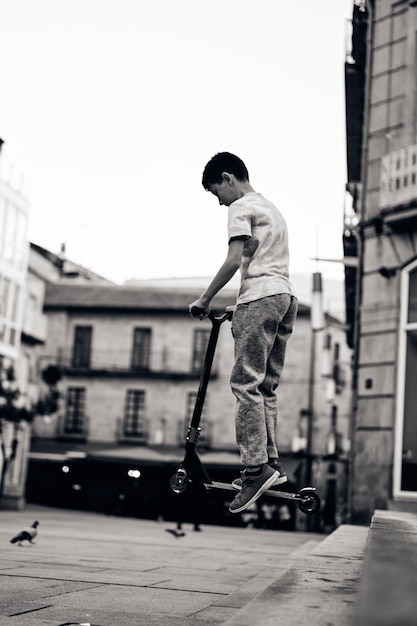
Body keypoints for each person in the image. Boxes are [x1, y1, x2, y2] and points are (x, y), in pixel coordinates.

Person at [189, 152, 298, 514]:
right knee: (265, 385)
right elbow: (264, 266)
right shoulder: (272, 208)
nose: (218, 201)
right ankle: (272, 464)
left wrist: (205, 299)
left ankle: (255, 468)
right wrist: (242, 305)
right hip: (284, 296)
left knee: (244, 384)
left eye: (215, 191)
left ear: (228, 177)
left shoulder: (240, 208)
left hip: (261, 298)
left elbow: (235, 261)